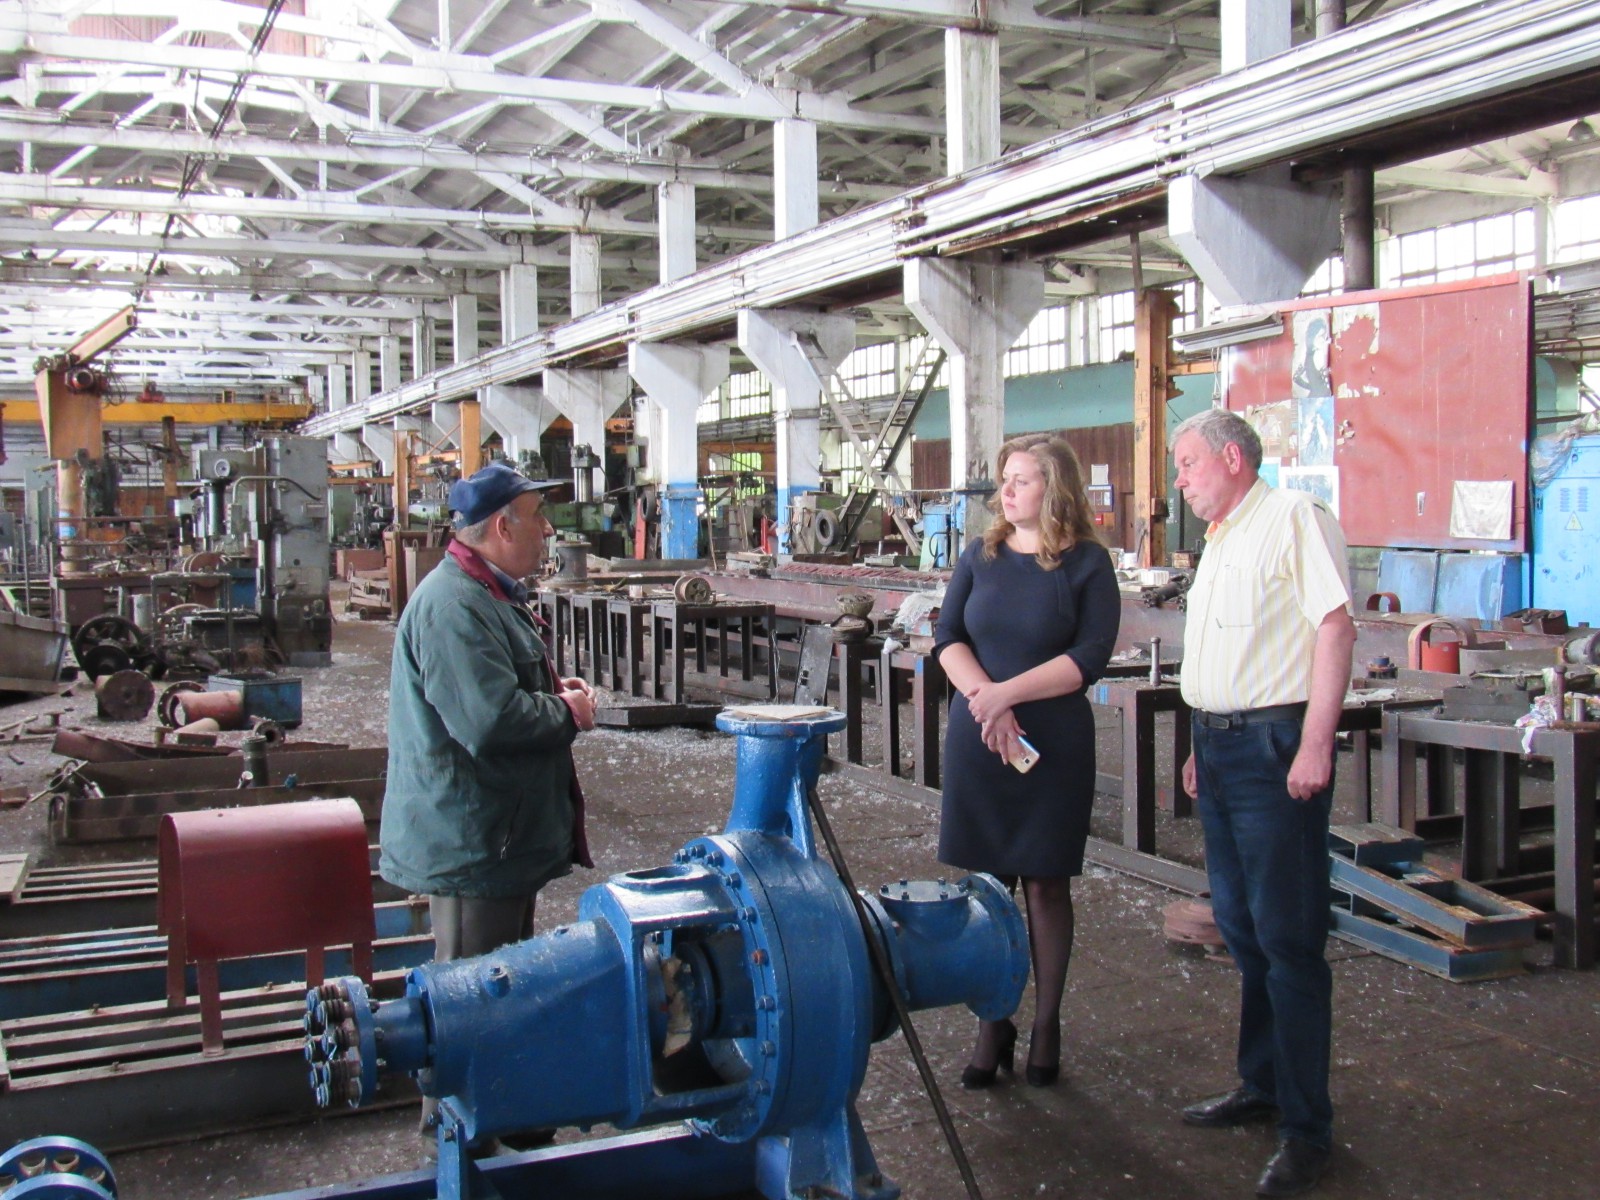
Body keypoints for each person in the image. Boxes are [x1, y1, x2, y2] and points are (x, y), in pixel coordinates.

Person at [378, 461, 598, 1155]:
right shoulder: (452, 605)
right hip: (474, 841)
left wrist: (548, 691)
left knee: (497, 988)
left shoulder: (484, 594)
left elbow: (495, 692)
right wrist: (564, 713)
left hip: (497, 837)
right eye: (537, 517)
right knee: (467, 997)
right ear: (502, 526)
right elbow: (489, 723)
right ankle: (455, 1141)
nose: (546, 530)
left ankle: (497, 1116)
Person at [1172, 408, 1356, 1198]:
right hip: (1220, 748)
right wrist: (1198, 742)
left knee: (1288, 939)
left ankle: (1307, 1129)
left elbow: (1336, 628)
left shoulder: (1294, 520)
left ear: (1234, 457)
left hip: (1275, 750)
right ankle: (1263, 1082)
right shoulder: (1222, 537)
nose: (1181, 481)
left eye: (1188, 465)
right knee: (1243, 930)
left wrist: (1317, 742)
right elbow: (1224, 645)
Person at [933, 432, 1121, 1090]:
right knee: (986, 889)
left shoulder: (1088, 567)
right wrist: (987, 702)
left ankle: (1046, 1022)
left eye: (1020, 480)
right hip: (983, 742)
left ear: (1055, 489)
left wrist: (1006, 696)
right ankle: (993, 1022)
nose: (1005, 492)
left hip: (1051, 747)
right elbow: (947, 636)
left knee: (1044, 882)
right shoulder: (979, 556)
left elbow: (1089, 657)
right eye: (1004, 481)